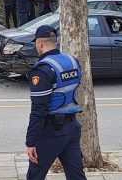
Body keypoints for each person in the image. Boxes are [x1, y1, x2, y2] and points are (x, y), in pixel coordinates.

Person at [26, 25, 86, 180]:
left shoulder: (42, 69)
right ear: (55, 42)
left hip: (52, 131)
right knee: (76, 176)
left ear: (39, 44)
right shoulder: (73, 62)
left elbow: (39, 109)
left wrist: (30, 141)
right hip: (72, 128)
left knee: (35, 176)